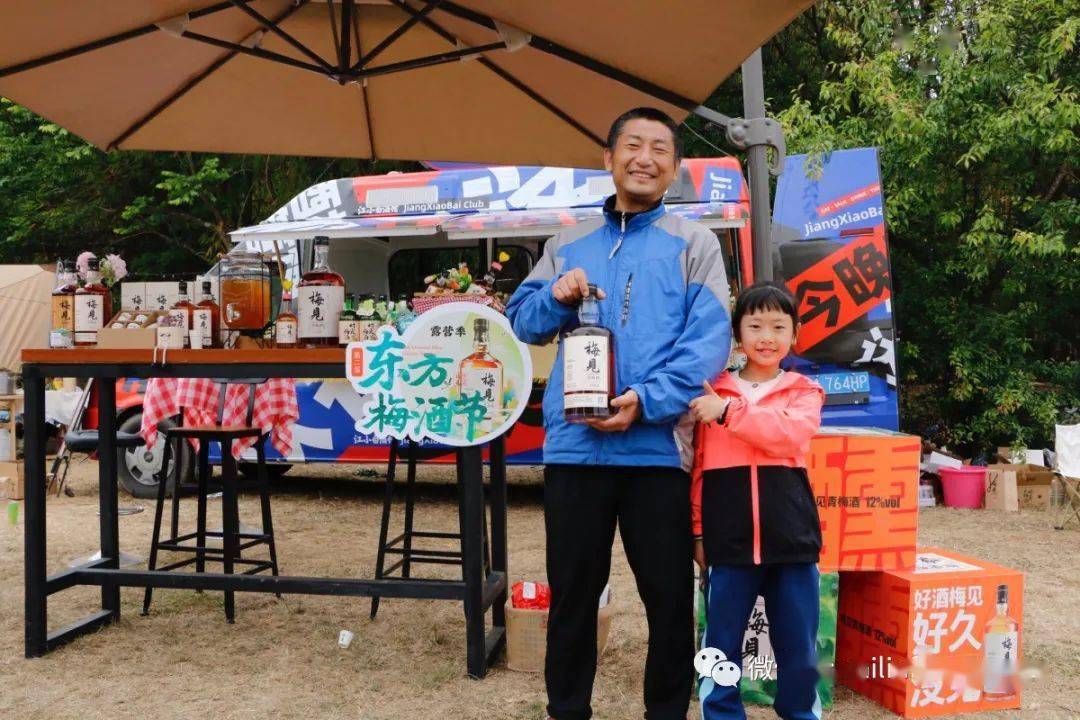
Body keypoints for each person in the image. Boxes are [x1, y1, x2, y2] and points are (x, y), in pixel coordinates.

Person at [505, 107, 732, 720]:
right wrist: (556, 295)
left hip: (657, 452)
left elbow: (709, 342)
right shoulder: (566, 244)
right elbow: (521, 321)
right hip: (575, 451)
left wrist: (647, 401)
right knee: (573, 599)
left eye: (659, 149)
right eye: (632, 145)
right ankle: (567, 710)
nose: (644, 159)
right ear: (608, 159)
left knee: (669, 601)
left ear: (675, 168)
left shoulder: (695, 244)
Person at [688, 281, 826, 720]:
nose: (767, 337)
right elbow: (699, 467)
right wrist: (698, 530)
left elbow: (790, 435)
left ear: (795, 333)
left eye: (778, 327)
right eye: (755, 326)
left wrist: (730, 413)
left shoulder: (805, 391)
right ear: (737, 333)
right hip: (729, 540)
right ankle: (722, 714)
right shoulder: (713, 391)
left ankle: (800, 713)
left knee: (798, 646)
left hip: (792, 539)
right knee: (721, 644)